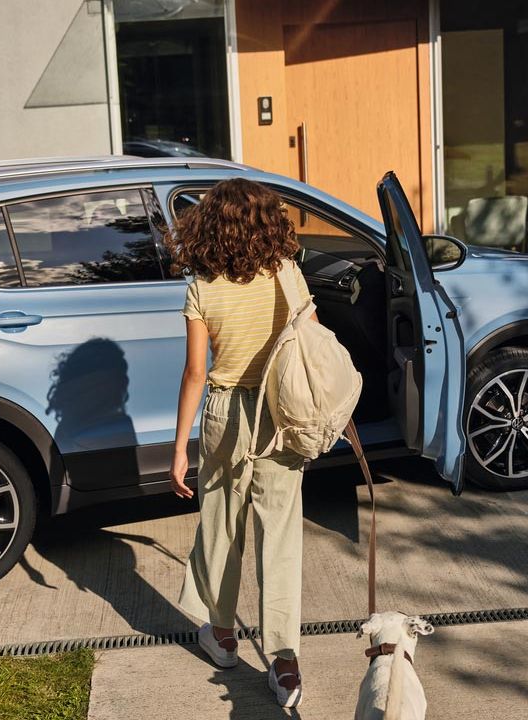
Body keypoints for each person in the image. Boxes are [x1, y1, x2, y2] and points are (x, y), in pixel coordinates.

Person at [168, 178, 316, 708]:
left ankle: (224, 637)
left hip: (226, 413)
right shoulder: (288, 275)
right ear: (266, 220)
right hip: (281, 412)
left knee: (221, 526)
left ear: (209, 225)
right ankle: (285, 665)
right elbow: (310, 346)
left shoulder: (202, 286)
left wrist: (179, 446)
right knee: (279, 535)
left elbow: (194, 373)